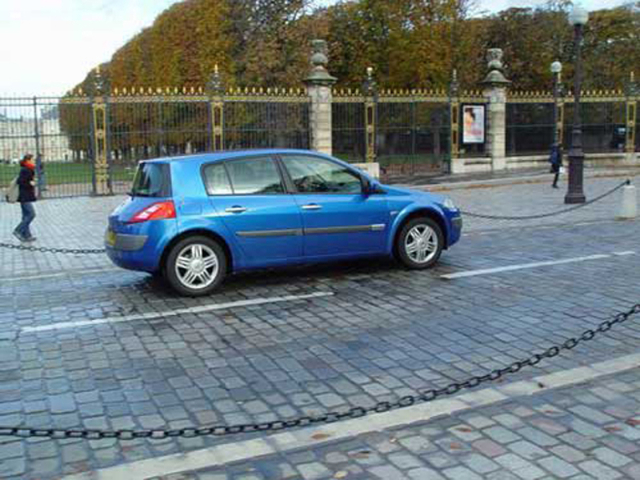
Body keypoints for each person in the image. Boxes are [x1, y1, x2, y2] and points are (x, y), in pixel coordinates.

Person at [13, 154, 37, 242]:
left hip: (25, 195)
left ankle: (27, 235)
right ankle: (18, 230)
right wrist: (30, 183)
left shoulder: (27, 168)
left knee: (25, 216)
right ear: (28, 160)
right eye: (32, 159)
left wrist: (31, 182)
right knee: (31, 214)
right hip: (25, 196)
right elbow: (21, 182)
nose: (34, 161)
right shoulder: (27, 169)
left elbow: (24, 180)